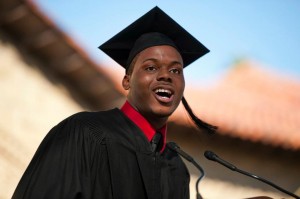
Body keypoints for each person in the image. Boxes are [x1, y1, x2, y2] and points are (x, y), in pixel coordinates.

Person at [12, 6, 216, 199]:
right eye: (151, 68)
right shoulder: (84, 132)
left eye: (175, 70)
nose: (166, 76)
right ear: (127, 81)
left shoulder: (177, 169)